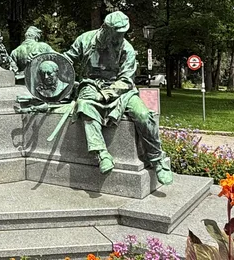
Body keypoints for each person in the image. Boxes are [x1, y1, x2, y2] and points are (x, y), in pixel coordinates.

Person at [64, 11, 173, 184]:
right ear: (106, 29)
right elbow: (67, 60)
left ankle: (157, 159)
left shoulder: (127, 49)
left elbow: (126, 80)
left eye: (123, 33)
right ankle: (101, 153)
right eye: (118, 32)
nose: (121, 36)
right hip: (91, 86)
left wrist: (109, 92)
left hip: (122, 90)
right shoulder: (85, 40)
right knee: (84, 105)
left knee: (144, 115)